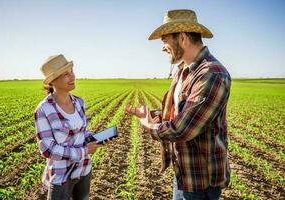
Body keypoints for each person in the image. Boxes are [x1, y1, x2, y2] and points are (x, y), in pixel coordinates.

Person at [126, 9, 231, 200]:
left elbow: (184, 128)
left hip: (201, 180)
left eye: (165, 40)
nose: (162, 47)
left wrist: (151, 126)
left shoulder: (211, 74)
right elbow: (179, 112)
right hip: (183, 171)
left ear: (182, 37)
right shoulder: (182, 70)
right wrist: (152, 115)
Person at [34, 54, 101, 200]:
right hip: (61, 176)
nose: (72, 77)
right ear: (52, 81)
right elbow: (48, 149)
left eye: (72, 71)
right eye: (65, 74)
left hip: (84, 169)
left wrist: (94, 138)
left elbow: (81, 132)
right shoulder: (44, 110)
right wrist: (84, 151)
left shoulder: (79, 102)